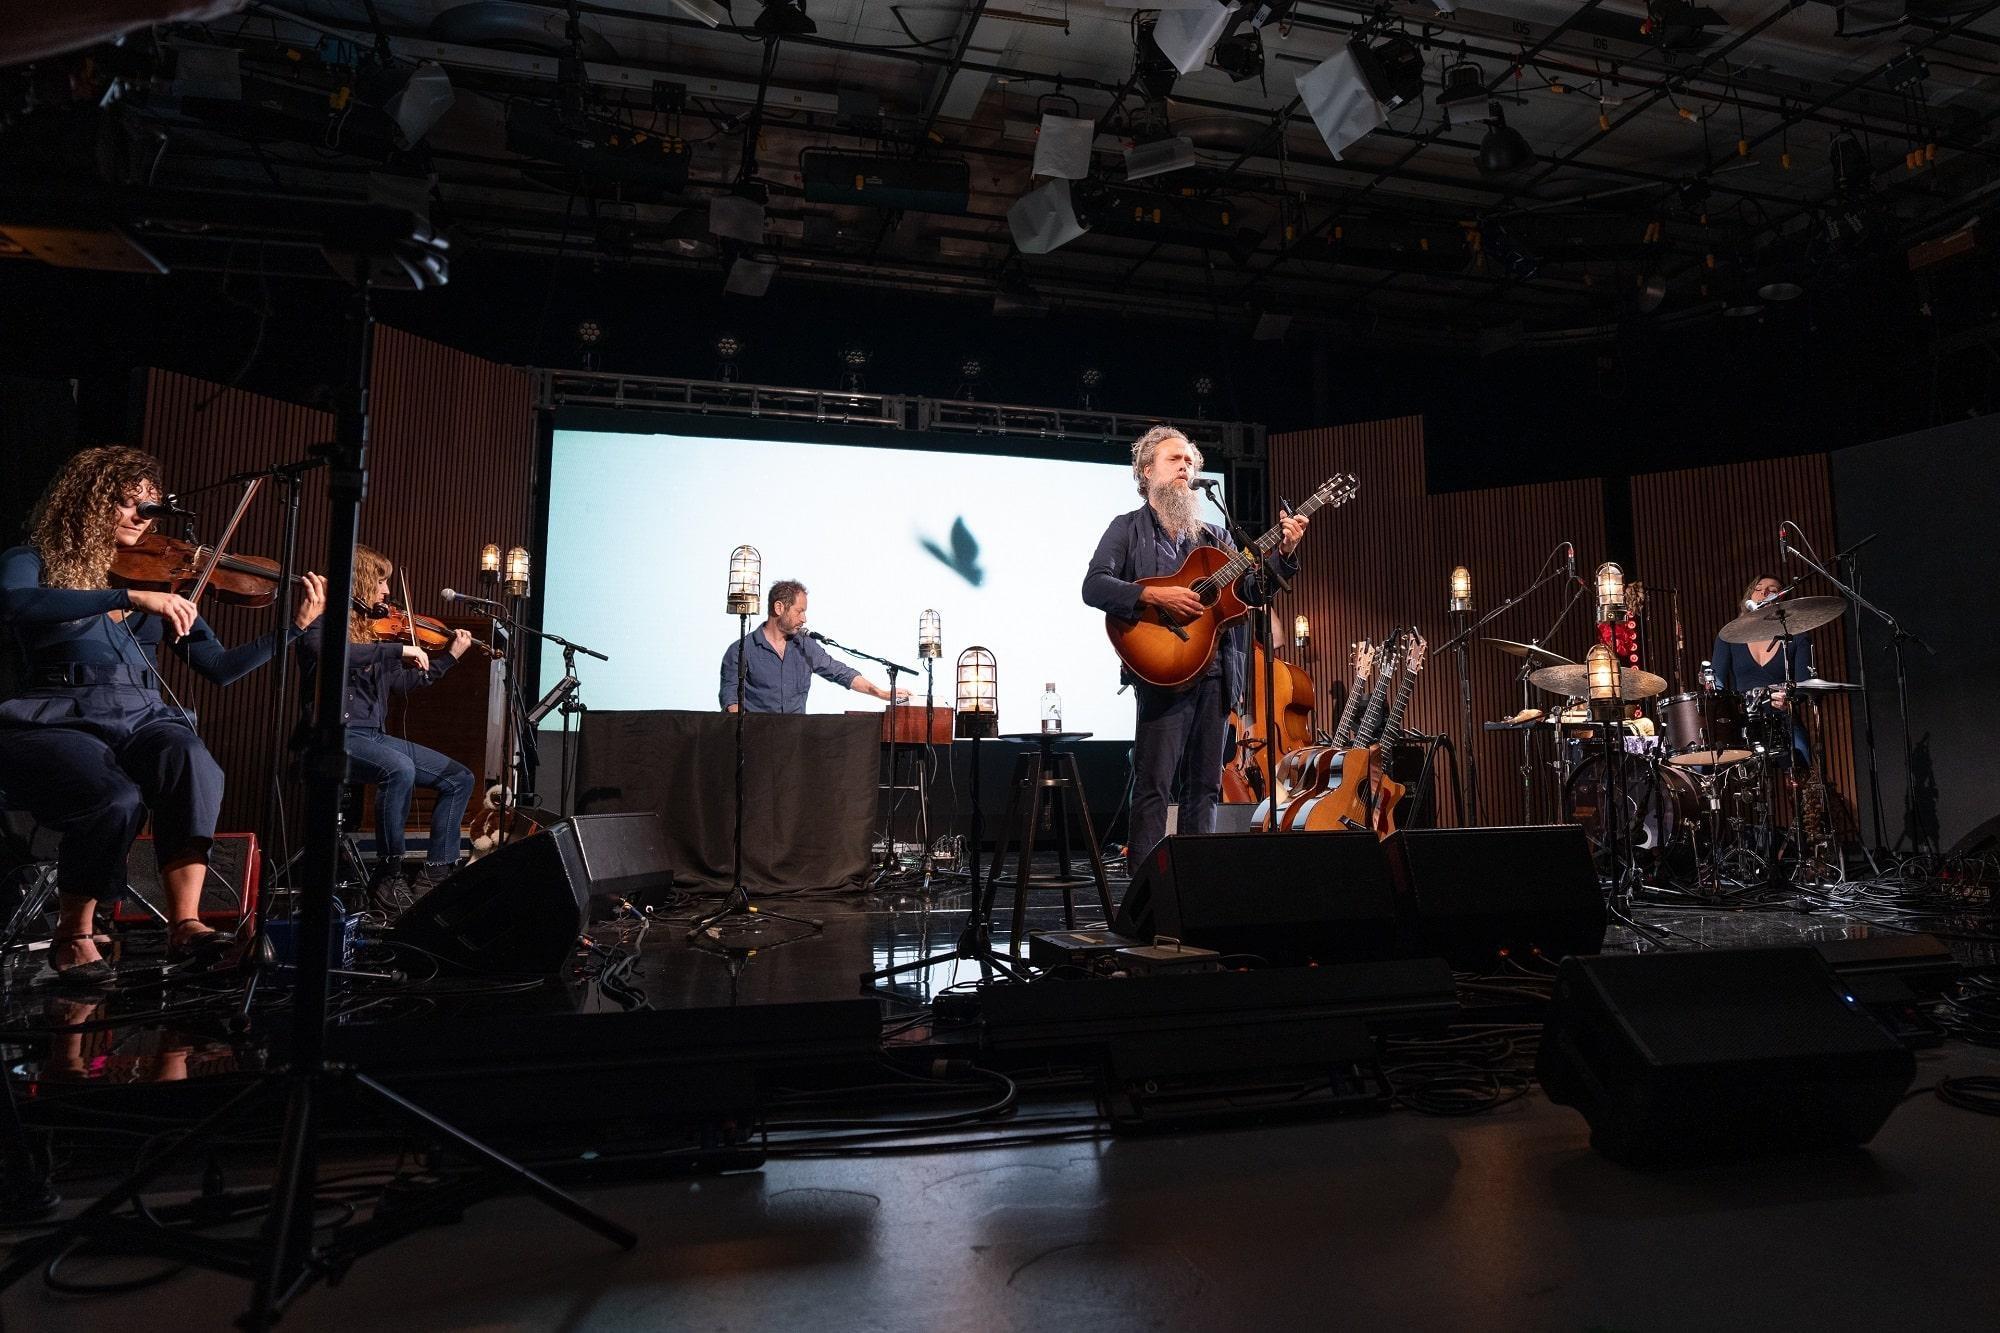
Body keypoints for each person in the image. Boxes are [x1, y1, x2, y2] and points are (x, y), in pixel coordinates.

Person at [0, 446, 325, 987]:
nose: (138, 518)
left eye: (147, 507)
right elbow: (17, 604)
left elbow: (218, 668)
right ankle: (74, 934)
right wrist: (127, 595)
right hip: (58, 714)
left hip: (144, 715)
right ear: (86, 503)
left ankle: (187, 924)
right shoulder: (33, 557)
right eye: (126, 504)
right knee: (114, 798)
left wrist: (292, 628)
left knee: (191, 763)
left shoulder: (161, 578)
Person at [1083, 425, 1307, 863]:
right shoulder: (1127, 529)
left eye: (1190, 461)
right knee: (1154, 785)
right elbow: (1095, 586)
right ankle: (1146, 890)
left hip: (1219, 671)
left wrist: (1285, 553)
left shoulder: (1216, 536)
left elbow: (1251, 592)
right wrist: (1152, 594)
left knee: (1204, 786)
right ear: (1147, 471)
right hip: (1163, 671)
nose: (1185, 467)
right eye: (1174, 460)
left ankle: (1194, 879)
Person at [295, 544, 475, 903]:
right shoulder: (323, 621)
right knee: (400, 768)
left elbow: (404, 683)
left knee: (459, 777)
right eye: (380, 582)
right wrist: (396, 651)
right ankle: (388, 874)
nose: (387, 592)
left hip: (373, 736)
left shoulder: (377, 631)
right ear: (361, 582)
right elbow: (325, 654)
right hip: (333, 736)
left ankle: (435, 874)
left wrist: (449, 659)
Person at [718, 580, 910, 713]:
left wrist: (881, 693)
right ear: (779, 608)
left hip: (795, 743)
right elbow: (731, 700)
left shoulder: (805, 646)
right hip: (757, 743)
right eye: (799, 611)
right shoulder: (741, 650)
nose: (804, 619)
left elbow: (840, 672)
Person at [1710, 573, 1812, 764]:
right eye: (1758, 589)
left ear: (1781, 601)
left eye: (1772, 591)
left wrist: (1789, 699)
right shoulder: (1729, 636)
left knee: (1802, 760)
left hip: (1782, 718)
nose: (1764, 592)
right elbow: (1718, 683)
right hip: (1743, 722)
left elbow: (1805, 684)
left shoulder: (1797, 636)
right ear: (1749, 596)